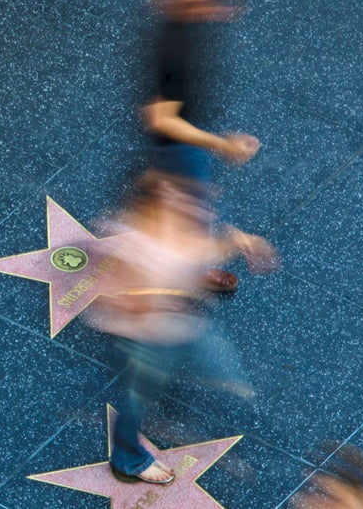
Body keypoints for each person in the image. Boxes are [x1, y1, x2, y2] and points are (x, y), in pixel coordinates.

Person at [84, 171, 278, 484]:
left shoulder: (173, 235)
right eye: (173, 205)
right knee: (138, 395)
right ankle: (127, 458)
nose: (190, 210)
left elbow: (199, 249)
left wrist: (242, 242)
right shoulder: (134, 248)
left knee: (208, 346)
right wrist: (155, 297)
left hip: (180, 321)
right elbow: (123, 299)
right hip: (147, 334)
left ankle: (226, 380)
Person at [143, 0, 256, 293]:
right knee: (192, 206)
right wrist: (224, 145)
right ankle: (192, 269)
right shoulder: (176, 49)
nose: (229, 10)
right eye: (218, 0)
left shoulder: (184, 30)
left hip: (182, 145)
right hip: (179, 146)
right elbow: (163, 120)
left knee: (186, 202)